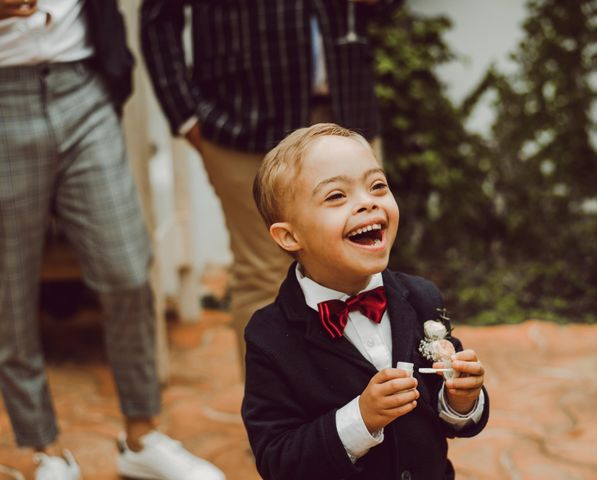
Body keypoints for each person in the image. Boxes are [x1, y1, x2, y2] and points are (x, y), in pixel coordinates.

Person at [0, 1, 224, 479]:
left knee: (127, 269)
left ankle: (141, 436)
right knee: (8, 295)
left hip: (83, 85)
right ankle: (46, 450)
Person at [139, 0, 403, 371]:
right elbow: (158, 17)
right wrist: (184, 114)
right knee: (262, 274)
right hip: (242, 117)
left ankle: (361, 409)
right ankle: (276, 420)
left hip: (346, 106)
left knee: (361, 266)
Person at [242, 123, 490, 480]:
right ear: (289, 236)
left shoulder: (421, 298)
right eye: (336, 196)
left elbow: (448, 413)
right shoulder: (269, 336)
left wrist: (461, 400)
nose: (367, 202)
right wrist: (361, 418)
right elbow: (277, 460)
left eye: (377, 186)